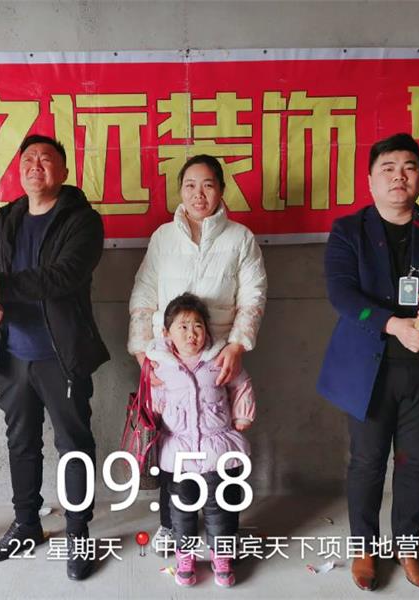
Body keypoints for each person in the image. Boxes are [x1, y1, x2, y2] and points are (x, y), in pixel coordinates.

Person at [317, 133, 419, 592]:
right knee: (366, 463)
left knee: (415, 463)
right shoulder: (348, 231)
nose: (398, 176)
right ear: (370, 179)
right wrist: (393, 325)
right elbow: (342, 295)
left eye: (409, 167)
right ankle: (364, 549)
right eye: (387, 168)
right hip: (369, 370)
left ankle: (407, 547)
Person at [0, 134, 109, 581]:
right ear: (19, 170)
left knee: (74, 445)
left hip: (60, 355)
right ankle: (26, 523)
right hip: (12, 354)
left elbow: (64, 276)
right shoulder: (5, 220)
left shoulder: (82, 220)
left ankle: (78, 532)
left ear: (63, 171)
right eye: (28, 158)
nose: (36, 165)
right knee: (21, 443)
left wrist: (1, 288)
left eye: (46, 159)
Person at [128, 154, 267, 550]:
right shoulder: (163, 238)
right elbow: (143, 294)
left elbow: (253, 296)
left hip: (216, 358)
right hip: (168, 359)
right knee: (172, 440)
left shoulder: (239, 238)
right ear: (180, 191)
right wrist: (143, 353)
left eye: (207, 185)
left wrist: (237, 345)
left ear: (221, 190)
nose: (198, 193)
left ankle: (224, 531)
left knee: (222, 444)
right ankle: (171, 525)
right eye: (190, 185)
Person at [146, 293, 254, 588]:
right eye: (182, 327)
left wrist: (242, 416)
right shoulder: (161, 366)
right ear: (167, 333)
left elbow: (241, 383)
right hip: (178, 452)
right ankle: (186, 557)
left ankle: (222, 557)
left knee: (221, 507)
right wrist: (157, 414)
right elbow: (155, 397)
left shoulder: (219, 359)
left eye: (197, 326)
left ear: (207, 330)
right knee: (182, 509)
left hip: (216, 448)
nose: (191, 334)